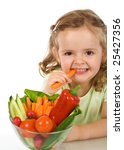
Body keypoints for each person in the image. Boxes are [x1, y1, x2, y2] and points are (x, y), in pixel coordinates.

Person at [39, 9, 107, 141]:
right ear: (57, 55)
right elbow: (40, 121)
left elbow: (112, 122)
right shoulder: (54, 81)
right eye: (69, 53)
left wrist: (79, 133)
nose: (79, 61)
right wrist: (47, 93)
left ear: (103, 54)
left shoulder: (109, 82)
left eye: (88, 52)